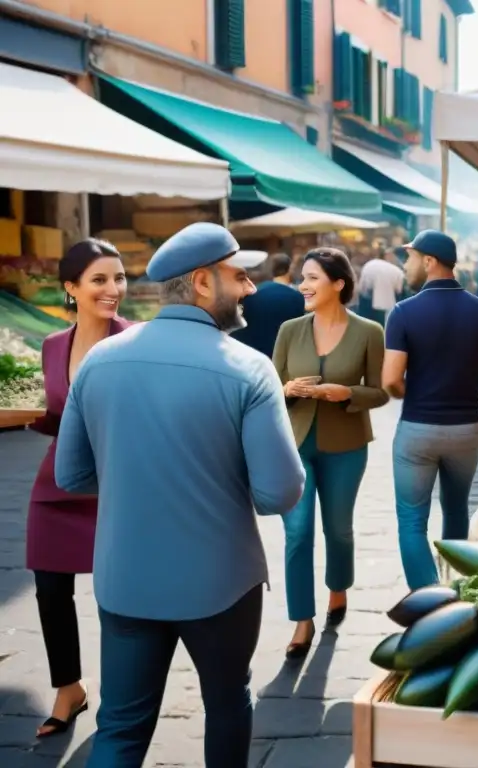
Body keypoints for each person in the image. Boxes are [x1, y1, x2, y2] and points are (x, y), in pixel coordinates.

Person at [55, 223, 305, 768]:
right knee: (227, 705)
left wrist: (134, 479)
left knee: (119, 728)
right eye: (239, 276)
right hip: (221, 582)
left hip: (126, 579)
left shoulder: (99, 360)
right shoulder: (248, 368)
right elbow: (279, 491)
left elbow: (70, 475)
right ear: (200, 281)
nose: (250, 288)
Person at [25, 240, 131, 738]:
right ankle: (68, 688)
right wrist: (31, 419)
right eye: (99, 280)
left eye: (119, 278)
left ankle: (122, 696)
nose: (114, 290)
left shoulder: (138, 341)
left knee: (117, 599)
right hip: (58, 485)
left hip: (119, 488)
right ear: (71, 288)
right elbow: (57, 418)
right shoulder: (51, 346)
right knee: (49, 590)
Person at [273, 248, 389, 658]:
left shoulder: (369, 332)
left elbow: (381, 392)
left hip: (346, 446)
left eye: (312, 278)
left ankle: (338, 588)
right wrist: (287, 390)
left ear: (338, 284)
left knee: (338, 529)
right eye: (301, 277)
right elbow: (273, 387)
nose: (303, 285)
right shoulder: (289, 330)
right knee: (297, 531)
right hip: (296, 445)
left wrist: (347, 393)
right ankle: (302, 621)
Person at [382, 230, 478, 589]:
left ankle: (428, 603)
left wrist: (415, 392)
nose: (405, 266)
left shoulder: (403, 313)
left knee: (411, 522)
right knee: (456, 510)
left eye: (409, 258)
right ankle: (457, 590)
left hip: (417, 431)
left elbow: (390, 379)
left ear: (428, 261)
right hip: (465, 431)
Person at [231, 252, 305, 357]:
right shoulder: (298, 297)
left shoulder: (244, 298)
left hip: (248, 358)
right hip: (288, 360)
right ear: (289, 269)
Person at [357, 250, 405, 325]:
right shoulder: (397, 270)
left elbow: (362, 288)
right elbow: (400, 291)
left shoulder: (370, 264)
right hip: (386, 304)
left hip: (368, 299)